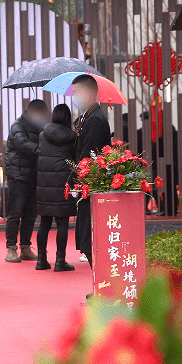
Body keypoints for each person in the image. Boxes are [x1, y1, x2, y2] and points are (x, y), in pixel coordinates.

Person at [71, 74, 112, 264]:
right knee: (88, 238)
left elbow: (88, 155)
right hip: (88, 184)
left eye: (76, 92)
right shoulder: (88, 116)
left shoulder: (95, 118)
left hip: (91, 184)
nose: (74, 96)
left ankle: (101, 286)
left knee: (91, 239)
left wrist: (73, 179)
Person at [3, 99, 49, 263]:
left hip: (34, 174)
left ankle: (25, 247)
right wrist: (43, 150)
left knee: (31, 213)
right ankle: (11, 248)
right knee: (15, 213)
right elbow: (22, 144)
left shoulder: (40, 126)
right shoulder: (18, 125)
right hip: (18, 175)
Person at [35, 103, 78, 272]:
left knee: (44, 223)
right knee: (62, 224)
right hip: (62, 183)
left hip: (44, 183)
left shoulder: (42, 135)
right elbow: (75, 158)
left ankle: (41, 260)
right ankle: (60, 261)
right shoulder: (72, 137)